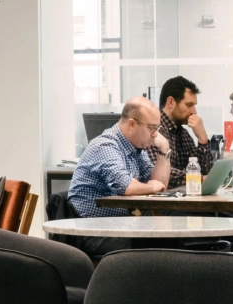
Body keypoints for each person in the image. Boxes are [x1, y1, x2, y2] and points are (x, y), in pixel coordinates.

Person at [65, 99, 170, 257]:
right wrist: (150, 187)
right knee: (161, 241)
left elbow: (160, 184)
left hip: (120, 225)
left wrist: (164, 150)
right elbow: (126, 186)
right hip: (94, 233)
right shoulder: (105, 146)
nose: (155, 134)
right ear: (132, 124)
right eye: (151, 128)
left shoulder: (136, 148)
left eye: (157, 128)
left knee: (169, 232)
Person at [156, 75, 206, 181]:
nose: (194, 111)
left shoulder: (184, 134)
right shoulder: (153, 130)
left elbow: (203, 170)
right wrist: (198, 179)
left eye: (194, 105)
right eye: (189, 105)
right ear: (171, 102)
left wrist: (203, 139)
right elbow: (158, 173)